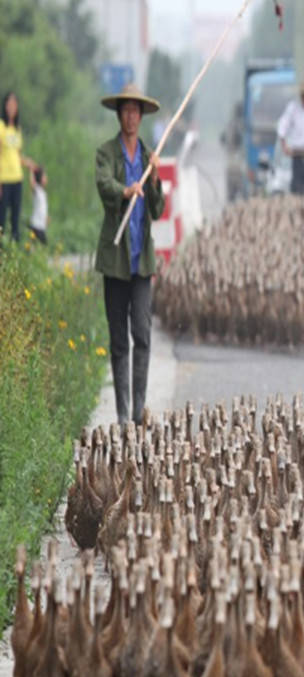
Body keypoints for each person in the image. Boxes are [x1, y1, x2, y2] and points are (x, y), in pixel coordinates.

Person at [95, 82, 165, 425]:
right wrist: (126, 190)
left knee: (143, 334)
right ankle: (122, 414)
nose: (131, 117)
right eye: (126, 111)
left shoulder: (150, 157)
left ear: (141, 116)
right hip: (115, 261)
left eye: (136, 111)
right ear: (119, 115)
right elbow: (104, 185)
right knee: (119, 339)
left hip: (141, 263)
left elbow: (157, 210)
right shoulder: (107, 153)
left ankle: (139, 411)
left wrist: (153, 181)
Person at [0, 92, 35, 243]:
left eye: (14, 104)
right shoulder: (1, 127)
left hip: (17, 179)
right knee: (1, 217)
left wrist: (28, 163)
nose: (12, 107)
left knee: (15, 217)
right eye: (9, 104)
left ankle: (15, 252)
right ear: (5, 106)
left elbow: (17, 154)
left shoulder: (17, 129)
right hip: (4, 179)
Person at [28, 164, 48, 245]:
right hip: (36, 225)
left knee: (41, 244)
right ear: (39, 178)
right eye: (44, 177)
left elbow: (43, 208)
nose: (46, 179)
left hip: (41, 225)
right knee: (40, 244)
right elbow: (32, 183)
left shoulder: (43, 192)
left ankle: (33, 255)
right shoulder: (37, 190)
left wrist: (46, 217)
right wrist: (31, 171)